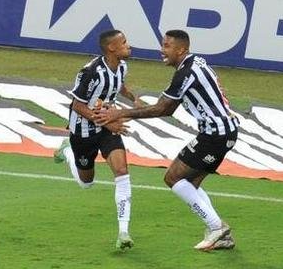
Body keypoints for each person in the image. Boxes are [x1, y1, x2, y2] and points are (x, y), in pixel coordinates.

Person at [95, 30, 240, 252]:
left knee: (173, 178)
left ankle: (217, 227)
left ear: (181, 49)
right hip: (223, 131)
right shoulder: (195, 62)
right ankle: (220, 235)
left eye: (166, 46)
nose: (162, 50)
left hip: (215, 135)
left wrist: (119, 114)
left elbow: (163, 109)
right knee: (189, 183)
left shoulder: (185, 73)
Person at [54, 29, 144, 251]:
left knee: (122, 171)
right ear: (111, 48)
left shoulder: (122, 66)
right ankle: (68, 151)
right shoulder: (91, 72)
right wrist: (107, 122)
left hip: (106, 126)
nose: (128, 45)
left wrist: (133, 98)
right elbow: (77, 105)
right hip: (83, 130)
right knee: (87, 182)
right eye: (123, 42)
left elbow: (119, 84)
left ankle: (123, 231)